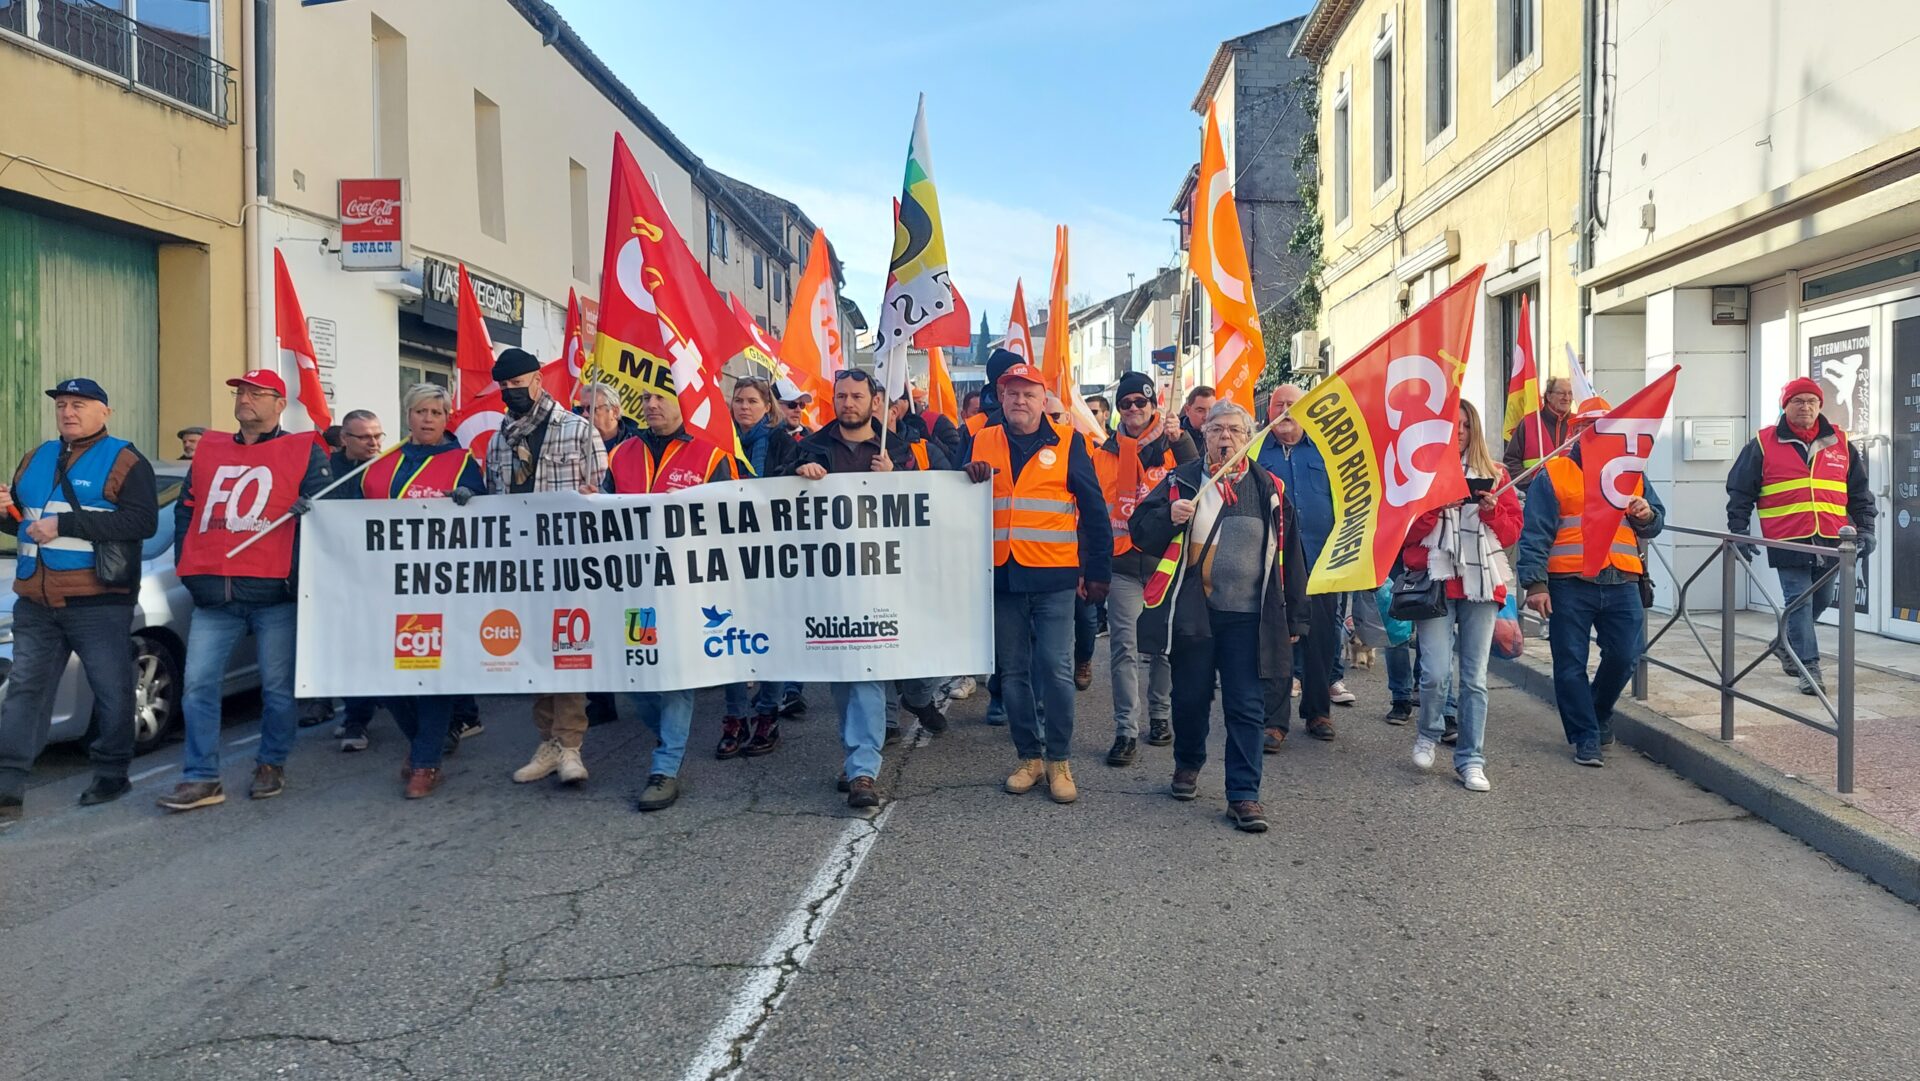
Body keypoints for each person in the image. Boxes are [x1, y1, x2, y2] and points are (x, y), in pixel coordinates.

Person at [157, 370, 332, 812]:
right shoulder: (211, 450)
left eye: (257, 393)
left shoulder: (302, 450)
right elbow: (187, 511)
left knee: (276, 688)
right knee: (197, 686)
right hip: (215, 594)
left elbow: (328, 511)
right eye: (241, 392)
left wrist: (307, 518)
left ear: (279, 404)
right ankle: (201, 777)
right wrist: (189, 567)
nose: (245, 399)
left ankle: (271, 762)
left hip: (274, 593)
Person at [1132, 401, 1307, 832]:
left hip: (1249, 618)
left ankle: (1244, 795)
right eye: (1215, 430)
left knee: (1246, 707)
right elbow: (1140, 530)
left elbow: (1292, 558)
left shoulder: (1271, 489)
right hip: (1196, 613)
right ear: (1203, 434)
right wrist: (1168, 517)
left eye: (1234, 430)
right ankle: (1188, 764)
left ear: (1249, 437)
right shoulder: (1183, 480)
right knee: (1190, 698)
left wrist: (1295, 621)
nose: (1224, 437)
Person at [0, 379, 159, 825]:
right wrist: (2, 512)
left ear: (104, 412)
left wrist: (65, 522)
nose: (68, 412)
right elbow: (24, 526)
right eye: (62, 405)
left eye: (80, 404)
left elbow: (142, 522)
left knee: (110, 689)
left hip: (99, 600)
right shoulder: (35, 457)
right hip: (35, 598)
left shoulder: (125, 459)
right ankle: (8, 784)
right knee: (26, 691)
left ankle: (112, 772)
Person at [795, 371, 944, 806]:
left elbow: (929, 502)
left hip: (887, 583)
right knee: (846, 676)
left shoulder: (899, 450)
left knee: (870, 671)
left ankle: (863, 767)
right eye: (841, 396)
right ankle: (857, 759)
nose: (848, 403)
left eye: (857, 396)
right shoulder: (811, 447)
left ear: (875, 401)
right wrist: (797, 473)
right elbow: (775, 501)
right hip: (831, 583)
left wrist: (897, 477)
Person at [969, 360, 1111, 804]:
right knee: (1012, 674)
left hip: (1053, 576)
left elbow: (1093, 509)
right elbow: (952, 501)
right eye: (1011, 393)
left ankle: (1059, 760)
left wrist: (1099, 571)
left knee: (1055, 670)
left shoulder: (1069, 442)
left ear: (1043, 398)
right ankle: (1028, 757)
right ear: (1001, 397)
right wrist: (964, 476)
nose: (1019, 400)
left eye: (1028, 393)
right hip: (1001, 575)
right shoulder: (980, 441)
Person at [606, 384, 736, 810]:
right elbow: (605, 514)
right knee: (641, 678)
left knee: (675, 675)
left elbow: (733, 520)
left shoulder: (711, 454)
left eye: (661, 397)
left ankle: (665, 768)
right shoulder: (621, 454)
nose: (651, 405)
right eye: (645, 398)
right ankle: (669, 736)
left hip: (688, 589)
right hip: (636, 587)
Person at [353, 384, 487, 798]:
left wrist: (473, 499)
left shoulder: (462, 462)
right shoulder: (380, 464)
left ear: (447, 419)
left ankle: (425, 762)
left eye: (436, 412)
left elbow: (485, 516)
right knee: (385, 681)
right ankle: (422, 744)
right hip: (383, 590)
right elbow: (351, 517)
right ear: (407, 416)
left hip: (438, 592)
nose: (428, 418)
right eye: (420, 411)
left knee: (432, 676)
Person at [1516, 397, 1665, 766]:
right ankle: (1586, 738)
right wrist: (1535, 585)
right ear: (1575, 433)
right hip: (1569, 582)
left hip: (1622, 580)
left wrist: (1647, 515)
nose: (1597, 433)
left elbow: (1656, 521)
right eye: (1588, 426)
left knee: (1626, 655)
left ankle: (1596, 715)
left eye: (1606, 427)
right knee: (1569, 664)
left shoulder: (1632, 472)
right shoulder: (1554, 473)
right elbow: (1534, 532)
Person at [485, 348, 609, 788]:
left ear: (538, 380)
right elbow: (492, 497)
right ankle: (548, 742)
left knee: (568, 648)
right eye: (504, 387)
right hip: (521, 564)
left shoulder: (578, 430)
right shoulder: (498, 439)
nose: (511, 393)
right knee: (536, 651)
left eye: (517, 385)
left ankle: (570, 743)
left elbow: (603, 494)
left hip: (570, 560)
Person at [1725, 377, 1877, 695]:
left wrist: (1866, 527)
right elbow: (1740, 490)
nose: (1805, 406)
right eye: (1798, 401)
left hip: (1832, 538)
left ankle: (1784, 644)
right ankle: (1809, 667)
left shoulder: (1840, 441)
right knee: (1799, 599)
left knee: (1820, 599)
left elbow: (1859, 491)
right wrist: (1738, 530)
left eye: (1811, 401)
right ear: (1786, 406)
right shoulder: (1763, 443)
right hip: (1787, 536)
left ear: (1820, 406)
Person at [1399, 401, 1522, 793]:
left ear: (1475, 430)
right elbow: (1402, 532)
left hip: (1481, 585)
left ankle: (1471, 758)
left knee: (1474, 679)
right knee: (1435, 673)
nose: (1460, 432)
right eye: (1453, 426)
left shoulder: (1496, 474)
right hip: (1435, 582)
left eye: (1466, 425)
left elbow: (1512, 532)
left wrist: (1489, 510)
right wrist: (1436, 509)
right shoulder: (1422, 475)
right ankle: (1428, 733)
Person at [1090, 370, 1197, 766]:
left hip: (1164, 562)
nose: (1133, 409)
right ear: (1118, 409)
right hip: (1120, 562)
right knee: (1124, 648)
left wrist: (1181, 438)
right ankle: (1125, 731)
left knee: (1163, 648)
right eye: (1125, 403)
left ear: (1154, 405)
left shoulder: (1172, 444)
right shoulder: (1104, 452)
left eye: (1141, 402)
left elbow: (1198, 474)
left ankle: (1160, 716)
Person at [717, 377, 801, 757]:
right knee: (729, 638)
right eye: (739, 400)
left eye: (753, 400)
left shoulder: (784, 442)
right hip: (728, 554)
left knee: (770, 639)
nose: (744, 406)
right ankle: (735, 717)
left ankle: (768, 714)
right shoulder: (717, 441)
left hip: (772, 555)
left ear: (769, 407)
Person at [1252, 384, 1338, 745]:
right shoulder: (1254, 452)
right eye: (1279, 405)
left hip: (1323, 560)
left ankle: (1318, 712)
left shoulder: (1328, 452)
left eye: (1293, 404)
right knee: (1278, 640)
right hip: (1276, 565)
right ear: (1269, 411)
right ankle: (1274, 722)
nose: (1286, 410)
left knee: (1320, 640)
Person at [302, 408, 386, 731]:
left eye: (378, 435)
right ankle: (354, 718)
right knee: (348, 648)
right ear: (344, 439)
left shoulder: (387, 468)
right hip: (337, 573)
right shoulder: (324, 471)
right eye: (364, 437)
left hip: (379, 573)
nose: (373, 442)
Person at [882, 390, 958, 745]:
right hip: (873, 567)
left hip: (924, 565)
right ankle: (884, 721)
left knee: (928, 642)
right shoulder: (838, 452)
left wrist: (893, 475)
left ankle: (917, 698)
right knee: (876, 645)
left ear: (895, 410)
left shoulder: (925, 450)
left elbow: (951, 493)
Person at [1501, 376, 1575, 478]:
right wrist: (1532, 486)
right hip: (1536, 492)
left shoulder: (1578, 423)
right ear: (1548, 396)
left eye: (1570, 393)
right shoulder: (1529, 423)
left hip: (1573, 492)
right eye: (1561, 393)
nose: (1567, 398)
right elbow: (1511, 460)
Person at [582, 381, 641, 456]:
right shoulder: (574, 440)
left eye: (591, 409)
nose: (584, 414)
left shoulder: (638, 443)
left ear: (614, 411)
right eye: (581, 409)